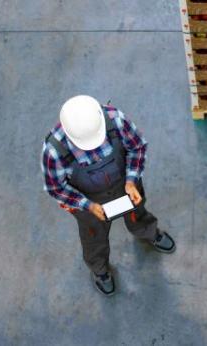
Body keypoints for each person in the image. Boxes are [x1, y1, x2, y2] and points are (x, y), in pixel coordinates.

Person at [41, 95, 175, 296]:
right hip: (89, 201)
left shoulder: (115, 119)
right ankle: (100, 269)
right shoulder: (54, 151)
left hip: (124, 185)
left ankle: (147, 231)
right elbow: (56, 188)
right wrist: (87, 205)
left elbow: (136, 148)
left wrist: (131, 180)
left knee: (137, 212)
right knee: (93, 235)